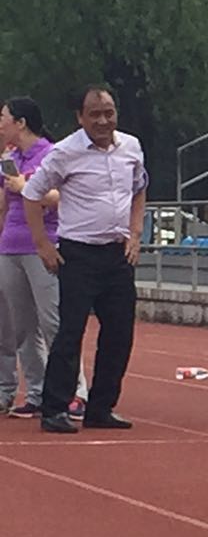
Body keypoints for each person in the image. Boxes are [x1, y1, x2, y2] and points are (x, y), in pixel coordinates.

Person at [22, 86, 148, 433]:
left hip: (117, 253)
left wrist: (136, 233)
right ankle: (54, 408)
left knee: (120, 333)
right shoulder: (65, 152)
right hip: (79, 254)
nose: (103, 120)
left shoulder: (131, 147)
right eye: (94, 114)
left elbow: (139, 188)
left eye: (109, 113)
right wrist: (42, 245)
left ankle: (101, 407)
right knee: (70, 332)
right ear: (80, 117)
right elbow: (32, 194)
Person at [0, 97, 87, 418]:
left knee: (54, 322)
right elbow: (4, 202)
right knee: (23, 327)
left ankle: (75, 391)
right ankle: (37, 392)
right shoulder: (11, 158)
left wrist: (24, 186)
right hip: (11, 246)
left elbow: (59, 196)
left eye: (4, 117)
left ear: (21, 122)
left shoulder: (51, 154)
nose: (0, 124)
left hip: (43, 244)